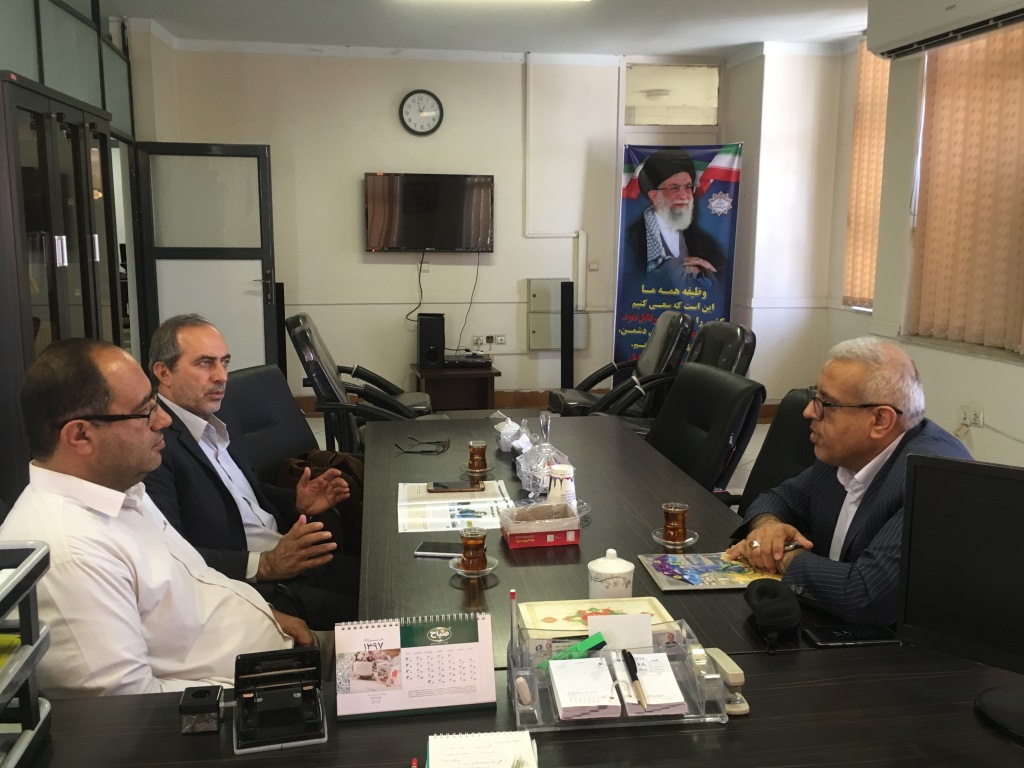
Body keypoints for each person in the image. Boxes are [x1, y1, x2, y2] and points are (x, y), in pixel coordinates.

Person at [0, 338, 313, 696]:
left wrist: (265, 614)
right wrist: (266, 688)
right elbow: (134, 711)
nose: (163, 419)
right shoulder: (71, 556)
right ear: (81, 435)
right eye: (145, 411)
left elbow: (192, 584)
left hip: (272, 649)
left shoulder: (120, 488)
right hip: (257, 691)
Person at [725, 337, 972, 625]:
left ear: (880, 421)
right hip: (825, 620)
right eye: (814, 395)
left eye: (825, 403)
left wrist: (781, 553)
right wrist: (768, 528)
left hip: (892, 646)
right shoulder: (845, 452)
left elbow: (864, 595)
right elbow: (775, 498)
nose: (809, 411)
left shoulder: (935, 480)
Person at [144, 315, 358, 629]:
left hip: (287, 555)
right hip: (248, 586)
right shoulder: (154, 446)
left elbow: (245, 493)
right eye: (205, 363)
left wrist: (296, 502)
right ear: (164, 372)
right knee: (378, 612)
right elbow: (171, 556)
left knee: (383, 578)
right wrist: (265, 565)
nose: (221, 377)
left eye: (224, 362)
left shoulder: (215, 416)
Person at [624, 148, 728, 283]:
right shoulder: (632, 240)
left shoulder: (704, 242)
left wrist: (702, 269)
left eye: (688, 187)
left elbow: (721, 283)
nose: (684, 196)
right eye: (674, 188)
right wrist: (676, 267)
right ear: (654, 196)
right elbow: (630, 284)